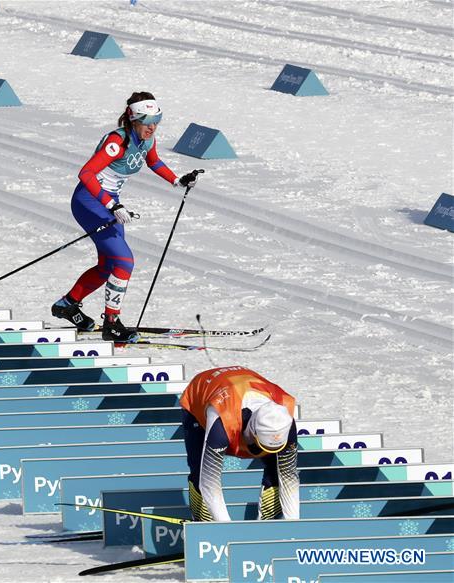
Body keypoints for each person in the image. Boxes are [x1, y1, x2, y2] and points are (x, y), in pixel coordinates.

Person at [50, 91, 200, 343]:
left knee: (109, 265)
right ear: (133, 120)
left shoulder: (147, 139)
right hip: (89, 201)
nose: (152, 127)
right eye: (146, 122)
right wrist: (112, 204)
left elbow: (153, 161)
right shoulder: (117, 141)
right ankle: (112, 324)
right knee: (124, 261)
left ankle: (68, 304)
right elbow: (85, 174)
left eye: (156, 122)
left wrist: (177, 180)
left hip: (107, 205)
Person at [179, 366, 300, 522]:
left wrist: (293, 525)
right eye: (259, 446)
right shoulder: (221, 419)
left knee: (276, 468)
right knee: (199, 471)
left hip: (243, 385)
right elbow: (209, 482)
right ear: (252, 431)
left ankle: (270, 524)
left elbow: (289, 476)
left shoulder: (286, 422)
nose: (259, 452)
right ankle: (203, 526)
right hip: (200, 395)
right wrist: (227, 530)